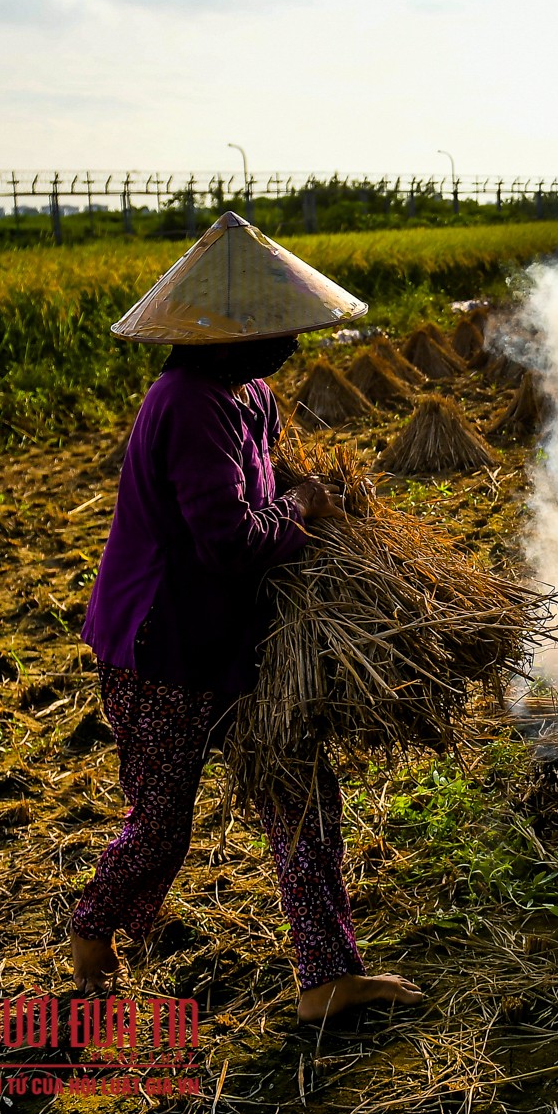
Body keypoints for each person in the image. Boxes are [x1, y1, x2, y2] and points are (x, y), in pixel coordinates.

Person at [72, 212, 420, 1021]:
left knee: (302, 797)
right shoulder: (189, 404)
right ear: (223, 334)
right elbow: (229, 540)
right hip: (164, 647)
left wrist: (321, 492)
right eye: (274, 331)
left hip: (236, 640)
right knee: (162, 821)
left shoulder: (246, 393)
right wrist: (303, 505)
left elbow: (272, 472)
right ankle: (93, 925)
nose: (291, 346)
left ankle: (327, 977)